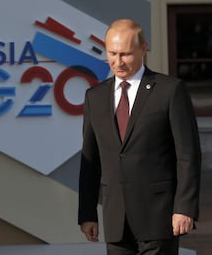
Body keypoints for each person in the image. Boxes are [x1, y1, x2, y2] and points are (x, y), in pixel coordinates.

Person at [78, 19, 201, 255]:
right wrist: (87, 214)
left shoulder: (170, 90)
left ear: (143, 49)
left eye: (125, 54)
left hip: (159, 218)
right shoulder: (95, 97)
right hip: (116, 222)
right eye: (112, 53)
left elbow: (187, 154)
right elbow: (90, 160)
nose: (117, 61)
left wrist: (184, 207)